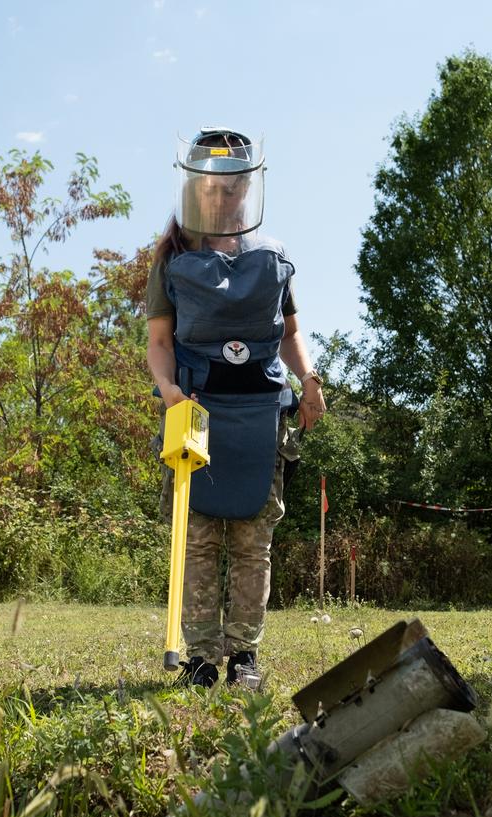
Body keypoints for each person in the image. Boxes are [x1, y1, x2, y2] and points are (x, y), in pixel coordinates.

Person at [146, 126, 325, 688]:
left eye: (234, 187)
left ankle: (243, 654)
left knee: (253, 539)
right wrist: (170, 391)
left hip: (260, 414)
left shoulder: (272, 259)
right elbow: (158, 342)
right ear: (195, 187)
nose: (224, 197)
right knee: (198, 537)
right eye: (213, 187)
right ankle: (200, 658)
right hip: (196, 411)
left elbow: (291, 334)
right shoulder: (171, 257)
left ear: (249, 188)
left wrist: (311, 379)